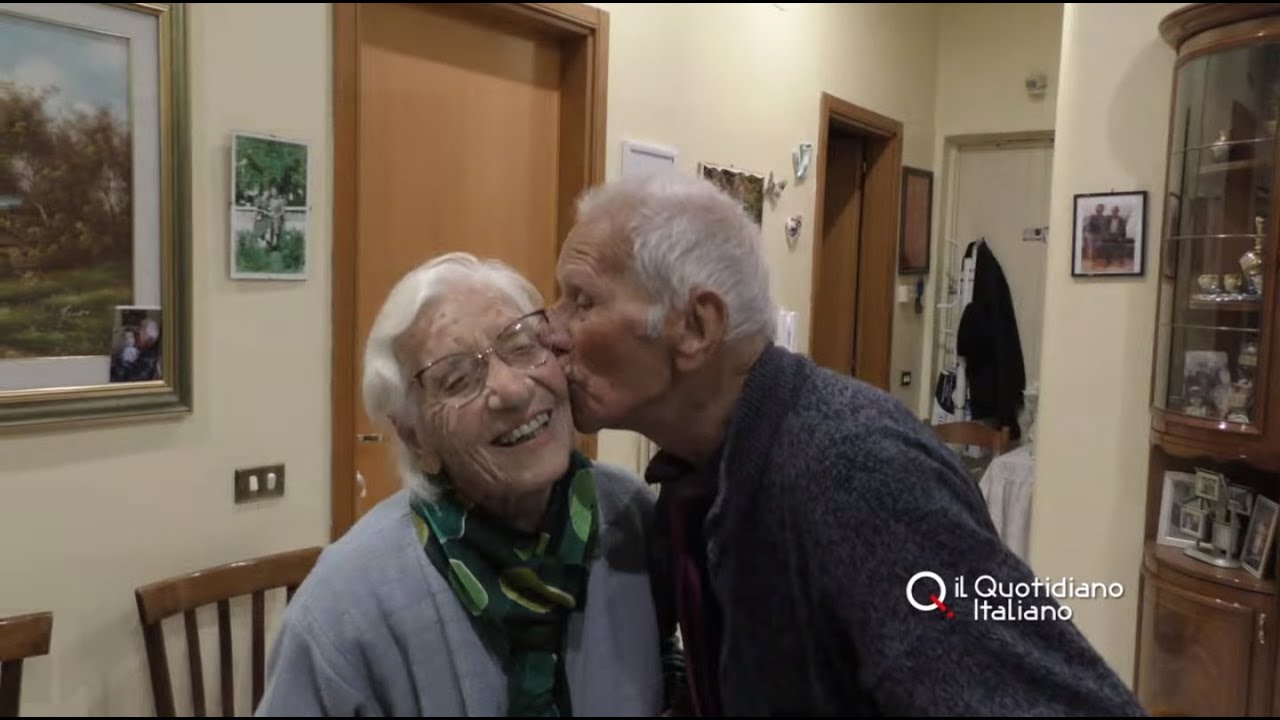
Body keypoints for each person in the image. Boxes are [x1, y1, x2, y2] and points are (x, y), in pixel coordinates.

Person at [540, 169, 1148, 716]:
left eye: (582, 300)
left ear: (697, 327)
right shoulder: (693, 476)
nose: (552, 331)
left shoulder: (854, 467)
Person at [257, 252, 667, 716]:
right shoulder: (343, 607)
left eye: (520, 345)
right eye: (457, 380)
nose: (511, 390)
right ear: (415, 437)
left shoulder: (632, 519)